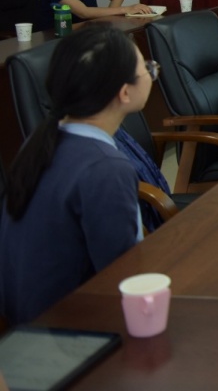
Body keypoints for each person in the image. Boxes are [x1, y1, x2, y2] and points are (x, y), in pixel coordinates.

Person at [0, 24, 152, 324]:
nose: (151, 72)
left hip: (27, 321)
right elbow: (124, 280)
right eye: (147, 68)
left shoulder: (41, 140)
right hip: (70, 331)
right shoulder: (106, 168)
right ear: (124, 92)